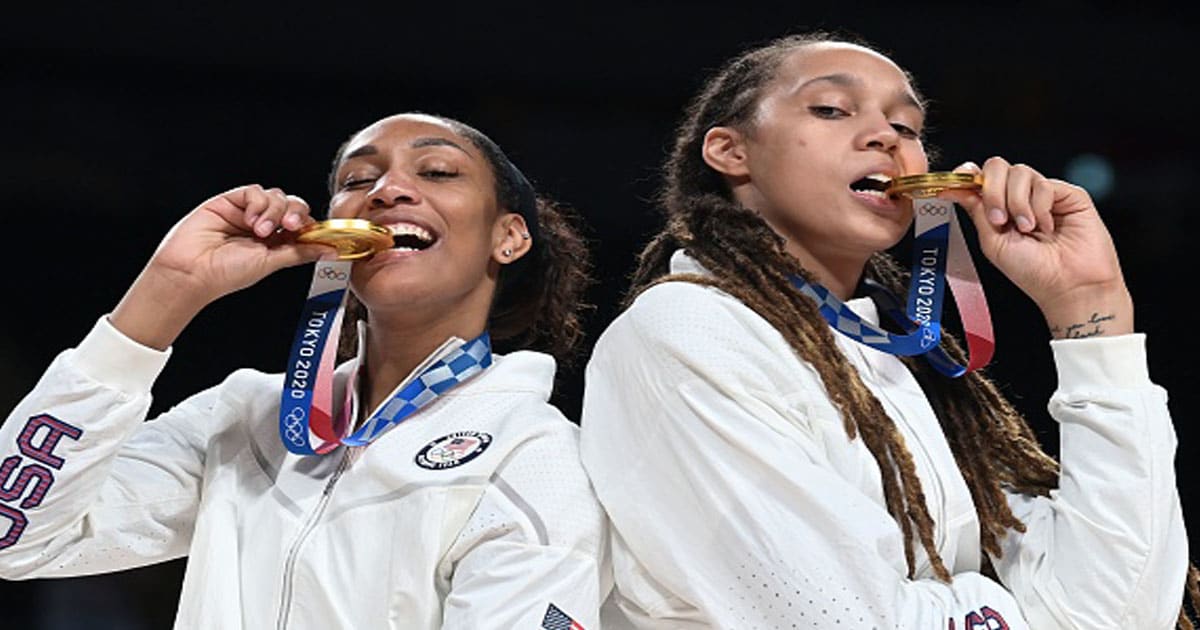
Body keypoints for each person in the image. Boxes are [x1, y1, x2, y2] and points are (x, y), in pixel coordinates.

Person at [580, 32, 1197, 629]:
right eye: (830, 109)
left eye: (908, 128)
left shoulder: (906, 359)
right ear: (730, 151)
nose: (886, 136)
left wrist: (1091, 311)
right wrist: (1020, 610)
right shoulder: (688, 330)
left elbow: (1125, 610)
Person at [0, 112, 608, 629]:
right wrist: (169, 288)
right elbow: (16, 535)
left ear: (509, 237)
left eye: (438, 172)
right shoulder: (244, 418)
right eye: (358, 179)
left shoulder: (533, 456)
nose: (387, 190)